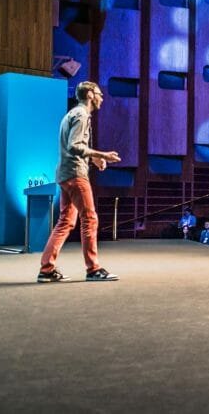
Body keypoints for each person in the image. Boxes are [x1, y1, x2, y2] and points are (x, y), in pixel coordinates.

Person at [38, 81, 121, 283]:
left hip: (65, 173)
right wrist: (102, 154)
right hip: (75, 174)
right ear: (91, 94)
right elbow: (74, 146)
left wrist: (93, 158)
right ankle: (93, 269)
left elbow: (73, 146)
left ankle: (46, 269)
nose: (102, 98)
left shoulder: (72, 114)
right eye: (100, 94)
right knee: (89, 218)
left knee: (66, 221)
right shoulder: (82, 115)